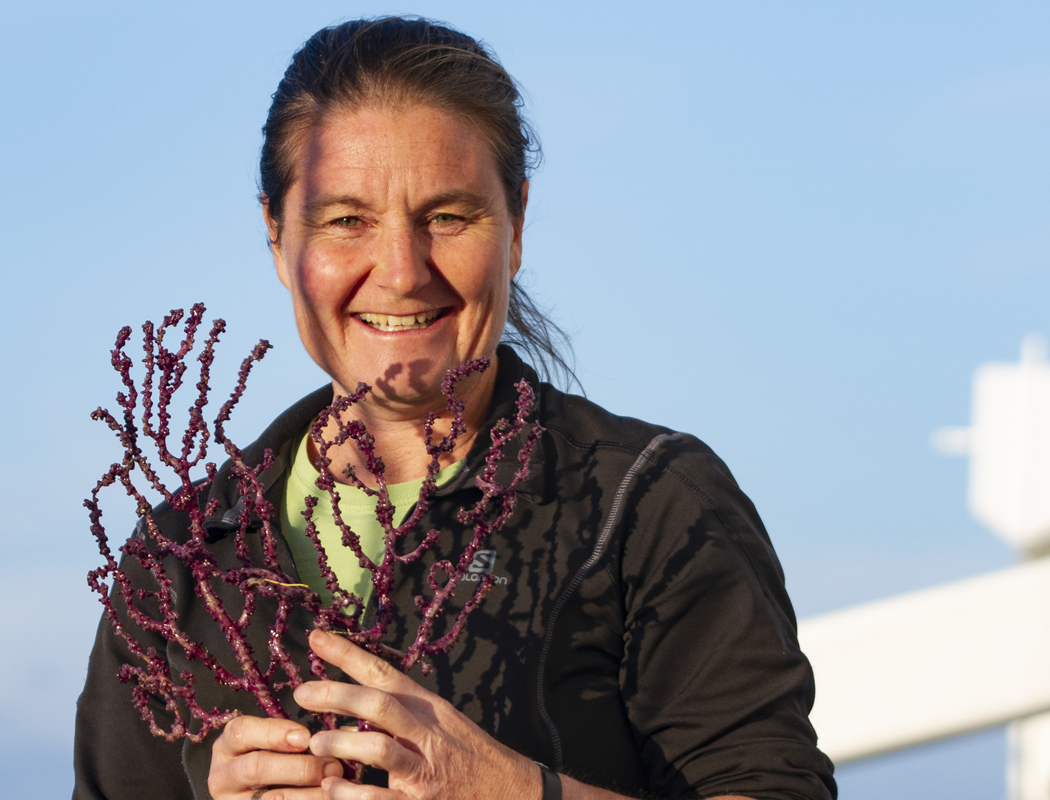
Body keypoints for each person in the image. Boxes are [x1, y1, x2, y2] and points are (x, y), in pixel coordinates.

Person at [74, 17, 837, 800]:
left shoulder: (647, 505)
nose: (401, 272)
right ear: (277, 236)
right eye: (346, 220)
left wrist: (512, 791)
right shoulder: (180, 560)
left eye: (448, 216)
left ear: (515, 225)